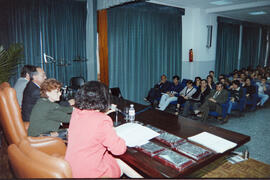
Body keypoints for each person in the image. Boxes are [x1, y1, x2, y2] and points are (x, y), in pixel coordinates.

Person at [65, 81, 142, 178]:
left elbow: (88, 124)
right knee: (120, 162)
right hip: (89, 173)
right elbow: (119, 150)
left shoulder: (76, 112)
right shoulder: (102, 120)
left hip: (71, 168)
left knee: (112, 159)